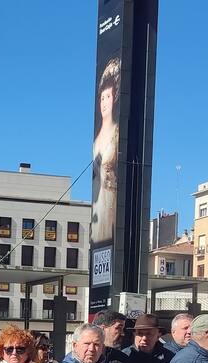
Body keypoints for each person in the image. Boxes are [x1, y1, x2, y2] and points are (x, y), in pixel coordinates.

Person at [91, 57, 119, 244]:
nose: (104, 102)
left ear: (115, 97)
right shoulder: (95, 140)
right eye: (101, 97)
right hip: (96, 206)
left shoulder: (117, 134)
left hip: (110, 204)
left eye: (108, 96)